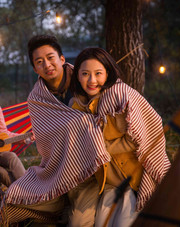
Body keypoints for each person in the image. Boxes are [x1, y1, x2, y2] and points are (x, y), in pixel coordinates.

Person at [2, 35, 105, 226]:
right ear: (35, 69)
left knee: (77, 223)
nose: (47, 65)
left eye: (51, 58)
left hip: (89, 168)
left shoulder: (85, 80)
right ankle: (58, 209)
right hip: (56, 167)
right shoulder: (36, 99)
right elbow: (45, 141)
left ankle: (65, 211)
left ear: (62, 59)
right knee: (12, 200)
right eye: (40, 62)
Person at [69, 47, 171, 226]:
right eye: (85, 73)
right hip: (109, 182)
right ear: (77, 75)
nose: (92, 80)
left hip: (136, 177)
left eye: (98, 73)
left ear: (107, 73)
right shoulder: (77, 107)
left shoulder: (119, 97)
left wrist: (102, 149)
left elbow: (136, 137)